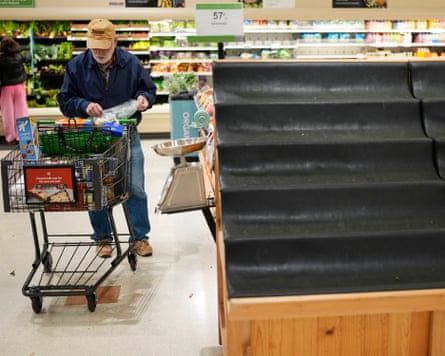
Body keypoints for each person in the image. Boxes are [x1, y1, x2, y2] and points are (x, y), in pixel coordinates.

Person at [57, 19, 157, 258]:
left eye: (104, 46)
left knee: (135, 187)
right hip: (92, 137)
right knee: (95, 188)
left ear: (115, 41)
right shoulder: (76, 66)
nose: (99, 52)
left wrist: (144, 99)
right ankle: (102, 238)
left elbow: (149, 89)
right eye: (94, 46)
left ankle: (139, 238)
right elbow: (65, 100)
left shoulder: (131, 64)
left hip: (125, 135)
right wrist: (83, 105)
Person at [0, 36, 29, 144]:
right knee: (21, 112)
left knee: (8, 113)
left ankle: (10, 137)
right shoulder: (19, 57)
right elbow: (29, 56)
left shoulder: (0, 60)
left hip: (6, 88)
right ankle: (22, 136)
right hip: (19, 87)